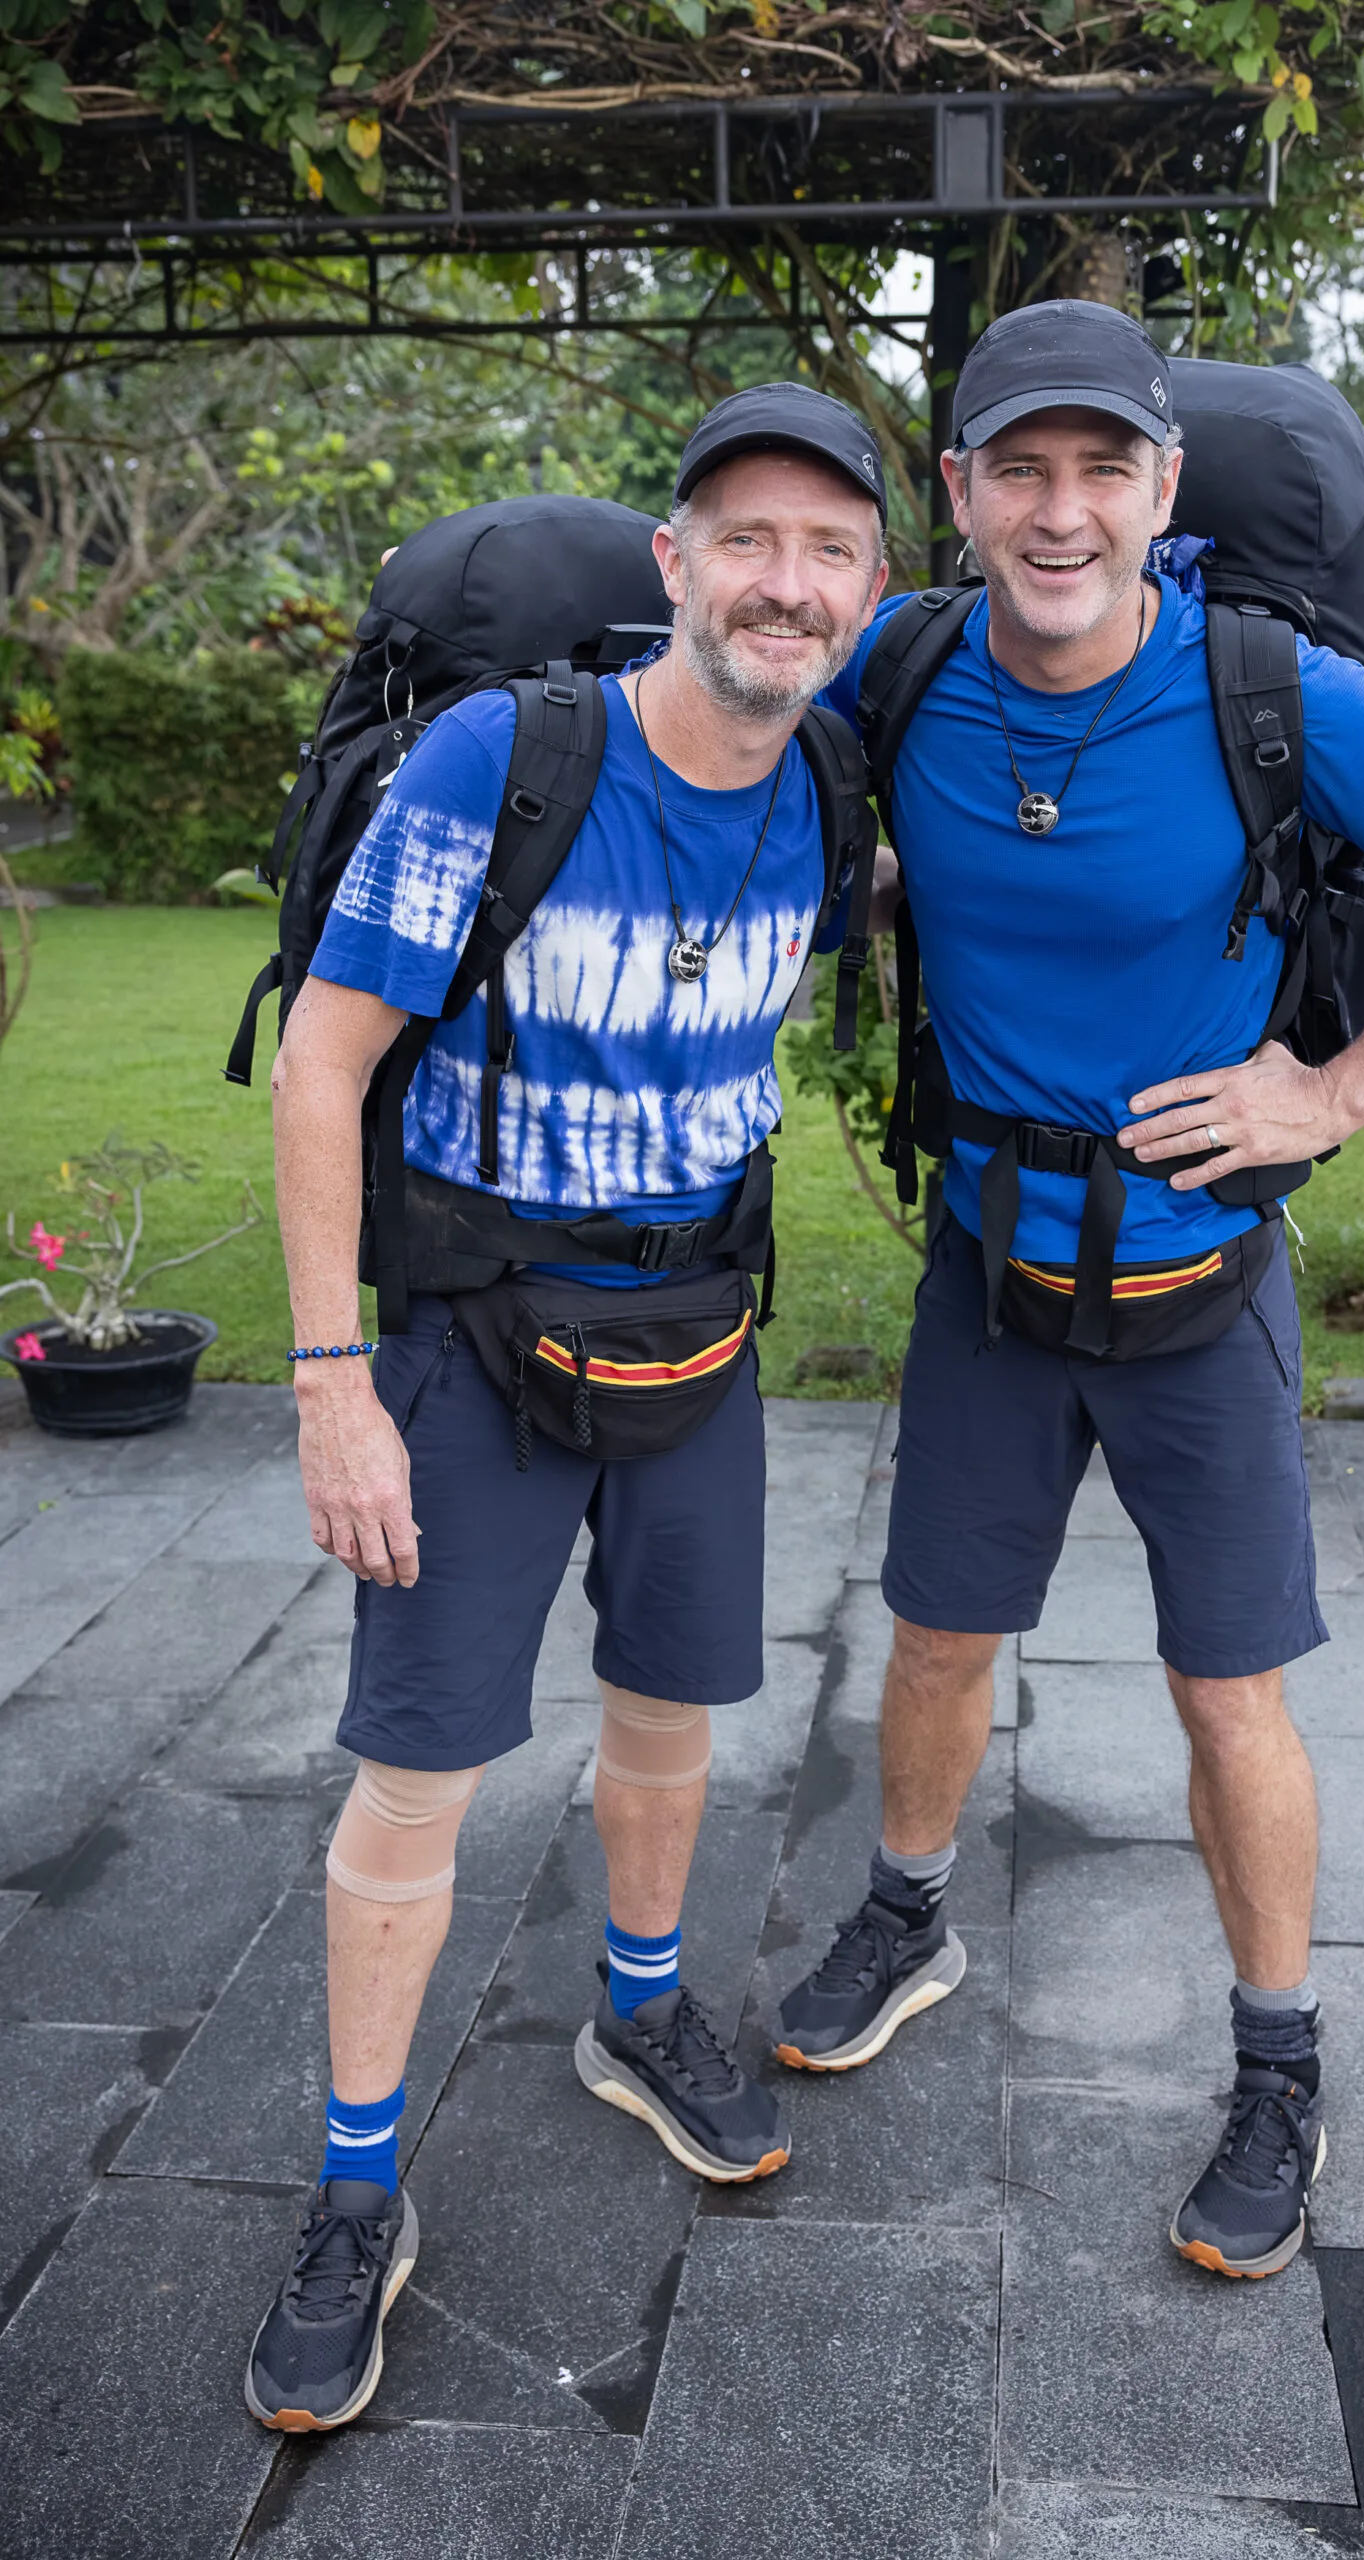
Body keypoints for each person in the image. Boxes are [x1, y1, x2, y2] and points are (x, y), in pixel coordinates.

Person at [779, 300, 1364, 2281]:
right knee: (939, 1632)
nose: (1062, 514)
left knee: (1230, 1688)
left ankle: (1277, 2062)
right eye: (1018, 471)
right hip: (987, 1266)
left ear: (1160, 490)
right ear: (955, 494)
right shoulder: (906, 666)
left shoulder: (1271, 688)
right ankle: (906, 1905)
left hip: (1201, 1274)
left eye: (1102, 470)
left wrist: (1341, 1080)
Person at [244, 383, 889, 2432]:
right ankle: (356, 2186)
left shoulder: (833, 782)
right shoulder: (500, 760)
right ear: (674, 565)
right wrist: (332, 1381)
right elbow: (323, 1060)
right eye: (747, 538)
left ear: (866, 597)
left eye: (830, 551)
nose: (785, 580)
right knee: (417, 1771)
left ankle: (636, 2010)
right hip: (468, 1339)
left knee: (673, 1714)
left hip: (696, 1326)